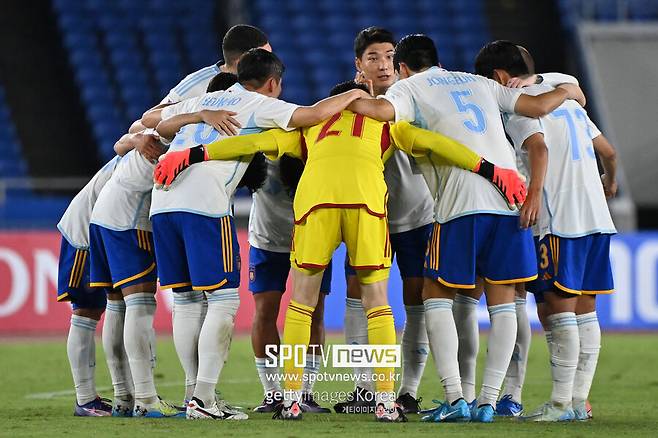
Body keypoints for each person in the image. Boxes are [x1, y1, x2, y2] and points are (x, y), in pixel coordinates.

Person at [153, 78, 528, 422]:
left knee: (301, 303)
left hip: (316, 202)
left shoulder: (309, 127)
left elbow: (253, 142)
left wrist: (192, 154)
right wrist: (493, 170)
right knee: (377, 302)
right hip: (366, 203)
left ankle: (291, 399)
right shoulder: (386, 125)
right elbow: (437, 144)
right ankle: (384, 400)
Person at [348, 33, 585, 423]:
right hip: (509, 201)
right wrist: (570, 88)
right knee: (504, 300)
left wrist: (346, 98)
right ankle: (491, 401)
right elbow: (540, 104)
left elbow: (376, 113)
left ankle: (456, 397)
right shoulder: (479, 83)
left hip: (459, 204)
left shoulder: (408, 87)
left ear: (403, 66)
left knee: (435, 293)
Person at [147, 49, 382, 418]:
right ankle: (218, 398)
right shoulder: (260, 105)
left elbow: (156, 123)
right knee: (233, 304)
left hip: (162, 201)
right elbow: (315, 113)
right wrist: (357, 94)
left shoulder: (204, 98)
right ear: (273, 83)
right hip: (221, 212)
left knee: (190, 301)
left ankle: (201, 393)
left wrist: (197, 117)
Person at [475, 40, 617, 422]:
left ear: (500, 78)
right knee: (586, 309)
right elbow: (610, 152)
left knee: (555, 307)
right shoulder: (567, 98)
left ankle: (559, 404)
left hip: (560, 219)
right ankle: (576, 402)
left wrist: (533, 196)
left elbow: (538, 149)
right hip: (598, 218)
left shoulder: (520, 108)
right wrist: (610, 181)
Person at [336, 26, 434, 415]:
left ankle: (407, 390)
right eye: (373, 57)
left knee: (417, 301)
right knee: (357, 297)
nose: (383, 64)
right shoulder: (343, 103)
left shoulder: (416, 97)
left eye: (390, 56)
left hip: (415, 217)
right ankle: (365, 389)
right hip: (366, 217)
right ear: (359, 65)